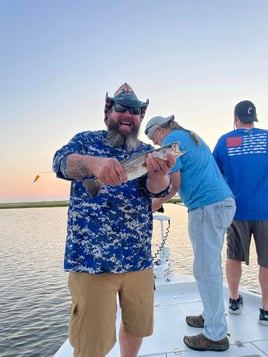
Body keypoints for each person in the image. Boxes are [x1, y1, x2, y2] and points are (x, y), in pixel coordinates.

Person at [52, 83, 176, 357]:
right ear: (108, 110)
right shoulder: (86, 141)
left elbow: (158, 191)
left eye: (135, 111)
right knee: (91, 343)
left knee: (136, 326)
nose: (128, 115)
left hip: (139, 260)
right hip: (92, 263)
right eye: (121, 108)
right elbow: (59, 162)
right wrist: (95, 165)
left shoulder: (147, 151)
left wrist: (158, 174)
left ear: (141, 117)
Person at [144, 115, 236, 352]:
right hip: (218, 203)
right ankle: (210, 316)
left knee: (205, 270)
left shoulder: (174, 140)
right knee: (209, 267)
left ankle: (215, 335)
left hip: (207, 206)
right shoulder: (189, 136)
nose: (155, 144)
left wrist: (153, 205)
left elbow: (173, 184)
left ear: (161, 129)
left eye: (154, 137)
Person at [213, 100, 268, 325]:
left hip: (236, 210)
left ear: (235, 119)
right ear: (254, 118)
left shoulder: (226, 141)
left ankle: (234, 301)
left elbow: (214, 175)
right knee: (267, 261)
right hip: (266, 210)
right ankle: (266, 311)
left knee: (233, 256)